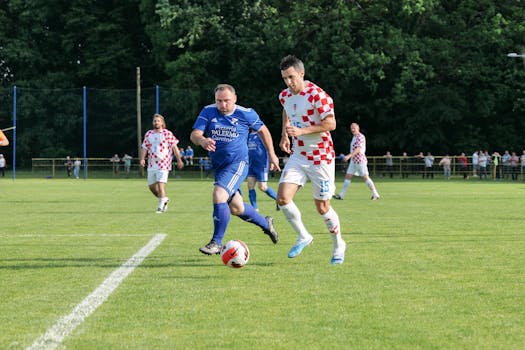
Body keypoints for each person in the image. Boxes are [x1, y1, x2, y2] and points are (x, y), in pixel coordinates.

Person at [190, 83, 280, 255]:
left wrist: (272, 154)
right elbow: (195, 134)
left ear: (235, 99)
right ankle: (266, 223)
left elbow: (263, 131)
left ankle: (216, 243)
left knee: (219, 195)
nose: (223, 105)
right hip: (219, 167)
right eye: (219, 101)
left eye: (227, 101)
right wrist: (202, 141)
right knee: (237, 208)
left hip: (238, 164)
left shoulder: (246, 113)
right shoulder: (208, 111)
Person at [277, 55, 346, 265]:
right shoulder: (284, 96)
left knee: (322, 208)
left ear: (301, 74)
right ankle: (304, 236)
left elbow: (331, 124)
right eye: (285, 78)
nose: (289, 83)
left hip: (321, 157)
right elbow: (286, 110)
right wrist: (285, 135)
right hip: (299, 155)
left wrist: (301, 130)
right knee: (282, 198)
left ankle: (338, 245)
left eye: (291, 77)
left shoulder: (319, 96)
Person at [140, 113, 184, 213]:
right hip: (152, 164)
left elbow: (175, 147)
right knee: (152, 187)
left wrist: (179, 160)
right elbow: (144, 147)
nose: (156, 122)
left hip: (163, 163)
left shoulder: (167, 134)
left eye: (158, 121)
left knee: (160, 185)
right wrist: (142, 159)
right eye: (155, 121)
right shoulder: (149, 134)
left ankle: (161, 207)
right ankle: (163, 199)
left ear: (162, 123)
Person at [333, 122, 380, 201]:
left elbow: (358, 149)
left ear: (358, 128)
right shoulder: (354, 137)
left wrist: (348, 156)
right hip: (353, 161)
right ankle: (341, 195)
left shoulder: (360, 137)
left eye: (354, 128)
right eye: (351, 128)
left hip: (360, 160)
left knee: (365, 177)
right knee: (348, 176)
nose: (352, 129)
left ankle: (375, 194)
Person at [247, 130, 278, 211]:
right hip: (251, 164)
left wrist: (271, 160)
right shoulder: (250, 135)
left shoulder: (262, 134)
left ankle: (279, 200)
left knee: (262, 187)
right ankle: (255, 209)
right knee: (250, 186)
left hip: (261, 164)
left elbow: (269, 148)